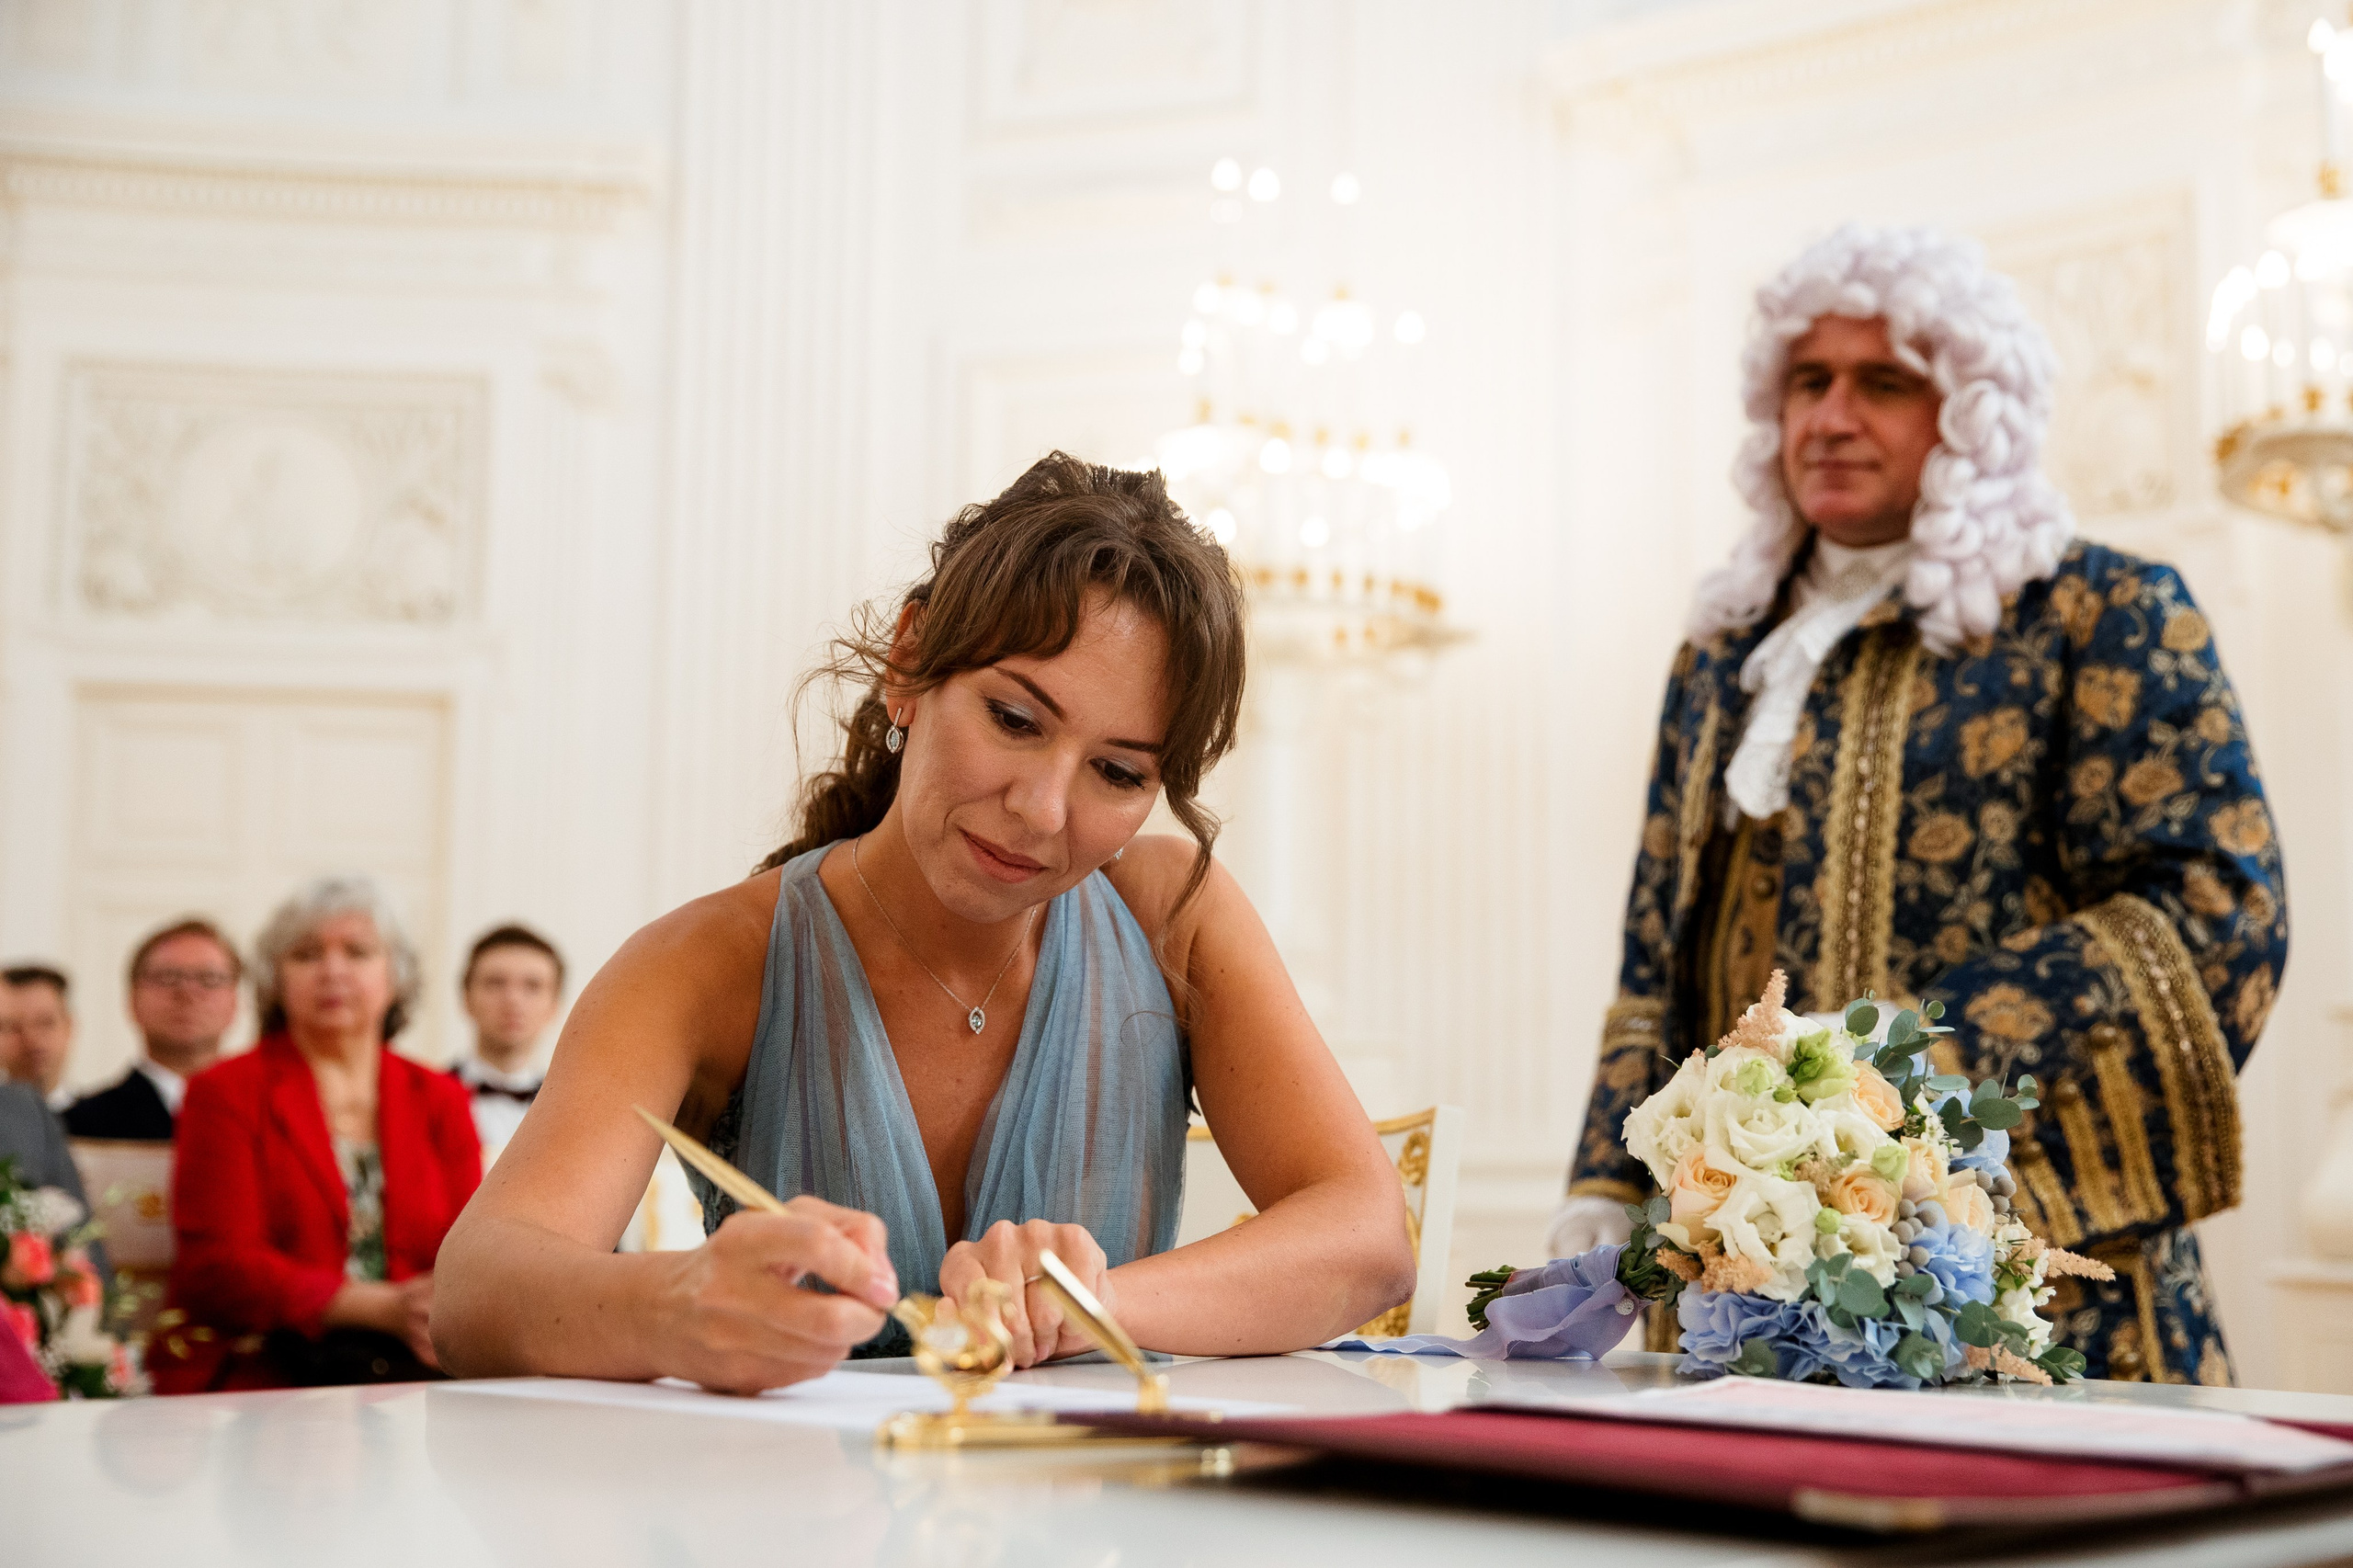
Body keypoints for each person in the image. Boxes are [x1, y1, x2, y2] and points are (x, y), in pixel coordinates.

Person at [435, 452, 1415, 1392]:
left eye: (1117, 772)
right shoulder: (709, 961)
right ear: (909, 659)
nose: (1041, 809)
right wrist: (678, 1300)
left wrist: (1086, 1304)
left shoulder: (1171, 912)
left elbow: (1368, 1241)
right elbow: (479, 1286)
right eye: (1015, 719)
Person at [1552, 225, 2288, 1386]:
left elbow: (2212, 913)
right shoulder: (1719, 657)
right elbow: (1655, 959)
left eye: (1881, 383)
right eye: (1808, 381)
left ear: (1968, 414)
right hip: (1732, 1294)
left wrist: (1881, 1083)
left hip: (2025, 1290)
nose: (1831, 416)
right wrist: (1603, 1181)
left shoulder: (2104, 612)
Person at [148, 877, 482, 1393]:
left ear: (396, 976)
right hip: (263, 1371)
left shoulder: (441, 1097)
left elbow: (472, 1247)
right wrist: (383, 1308)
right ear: (276, 981)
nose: (333, 970)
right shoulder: (224, 1091)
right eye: (306, 955)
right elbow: (218, 1268)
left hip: (417, 1371)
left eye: (358, 952)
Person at [64, 919, 242, 1142]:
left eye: (208, 978)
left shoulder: (270, 1117)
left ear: (235, 1001)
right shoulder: (77, 1125)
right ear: (133, 999)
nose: (187, 993)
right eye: (167, 978)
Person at [449, 925, 564, 1165]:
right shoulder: (424, 1102)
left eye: (532, 986)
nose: (513, 1000)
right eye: (495, 983)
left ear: (555, 1005)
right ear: (466, 998)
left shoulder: (570, 1111)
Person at [0, 965, 75, 1111]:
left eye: (45, 1023)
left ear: (69, 1027)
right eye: (15, 1027)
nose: (32, 1039)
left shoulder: (104, 1122)